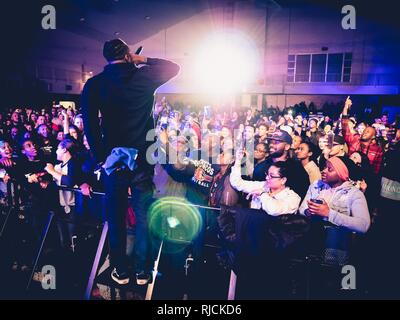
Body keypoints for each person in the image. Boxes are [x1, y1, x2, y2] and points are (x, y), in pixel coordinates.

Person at [81, 38, 179, 285]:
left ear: (105, 57)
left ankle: (121, 271)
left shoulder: (95, 84)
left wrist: (103, 158)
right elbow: (173, 67)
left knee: (115, 217)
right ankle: (143, 272)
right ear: (127, 54)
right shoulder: (143, 77)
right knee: (143, 216)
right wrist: (140, 59)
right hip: (142, 159)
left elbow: (90, 127)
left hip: (113, 161)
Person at [299, 156, 370, 233]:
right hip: (312, 234)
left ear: (342, 174)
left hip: (338, 240)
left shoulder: (354, 194)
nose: (323, 171)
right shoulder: (316, 186)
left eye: (329, 169)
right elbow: (302, 209)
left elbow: (363, 225)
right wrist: (308, 212)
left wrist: (329, 213)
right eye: (324, 167)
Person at [230, 150, 301, 216]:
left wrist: (262, 194)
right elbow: (237, 183)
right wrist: (238, 161)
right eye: (267, 174)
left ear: (283, 180)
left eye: (272, 176)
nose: (267, 178)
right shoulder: (263, 185)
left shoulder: (293, 198)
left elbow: (274, 210)